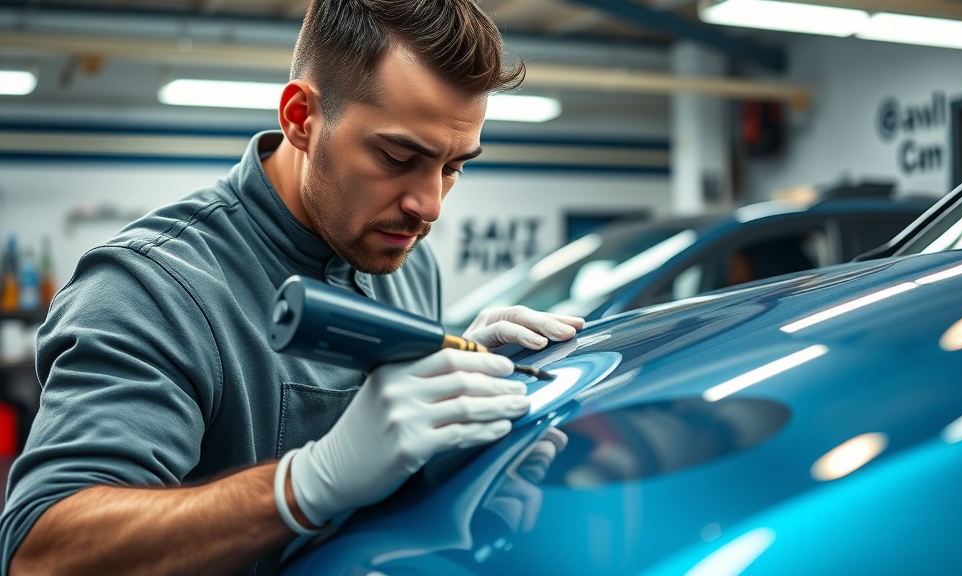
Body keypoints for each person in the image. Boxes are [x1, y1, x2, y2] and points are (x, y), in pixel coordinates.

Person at [0, 1, 584, 574]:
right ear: (301, 118)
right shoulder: (153, 287)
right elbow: (43, 554)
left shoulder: (408, 263)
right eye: (398, 156)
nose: (428, 205)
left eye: (454, 166)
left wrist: (452, 444)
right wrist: (304, 484)